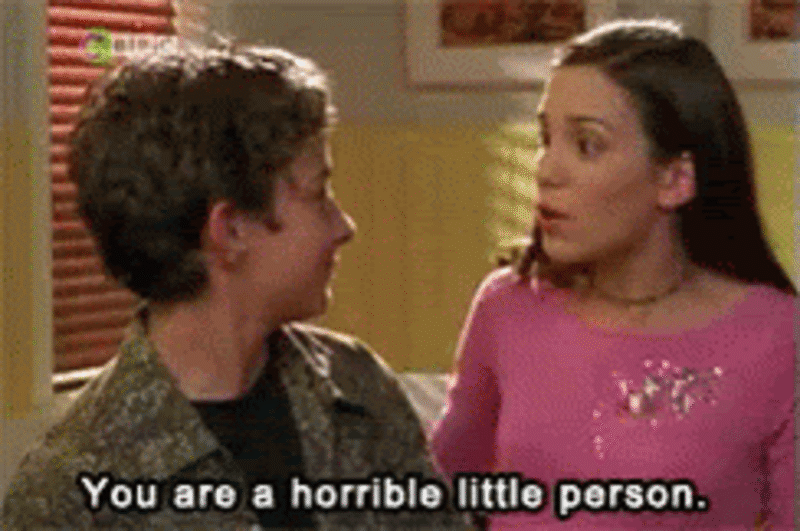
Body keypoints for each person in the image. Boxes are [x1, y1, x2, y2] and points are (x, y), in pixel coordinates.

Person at [3, 39, 471, 530]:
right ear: (230, 231)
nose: (344, 226)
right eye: (319, 194)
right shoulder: (70, 491)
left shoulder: (358, 390)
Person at [432, 19, 796, 530]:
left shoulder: (777, 336)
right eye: (546, 138)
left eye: (587, 145)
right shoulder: (508, 304)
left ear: (675, 179)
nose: (546, 171)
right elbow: (437, 491)